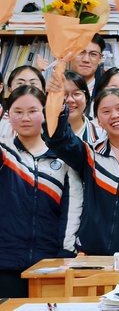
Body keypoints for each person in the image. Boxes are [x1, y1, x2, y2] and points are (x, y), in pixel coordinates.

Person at [44, 81, 119, 256]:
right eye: (106, 111)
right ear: (97, 120)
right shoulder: (89, 154)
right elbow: (58, 139)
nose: (114, 115)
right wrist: (55, 103)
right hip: (91, 257)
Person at [0, 86, 82, 298]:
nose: (25, 118)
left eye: (33, 111)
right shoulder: (5, 153)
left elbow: (72, 210)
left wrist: (66, 253)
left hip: (50, 263)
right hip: (6, 262)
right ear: (8, 115)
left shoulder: (63, 158)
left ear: (45, 113)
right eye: (18, 112)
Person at [0, 66, 48, 139]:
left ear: (43, 90)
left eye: (33, 84)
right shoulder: (3, 117)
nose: (27, 88)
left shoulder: (51, 119)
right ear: (10, 89)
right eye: (20, 84)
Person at [63, 71, 106, 145]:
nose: (70, 100)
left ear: (86, 98)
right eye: (63, 94)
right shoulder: (44, 133)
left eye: (76, 94)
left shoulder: (101, 135)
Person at [69, 34, 105, 98]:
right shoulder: (58, 88)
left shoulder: (105, 93)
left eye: (93, 54)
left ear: (100, 59)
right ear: (70, 55)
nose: (86, 60)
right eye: (81, 52)